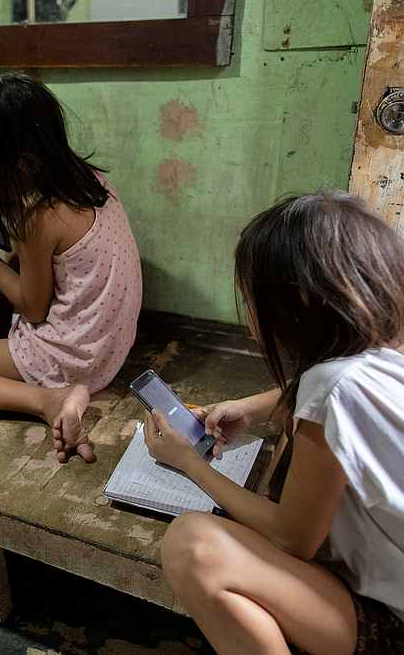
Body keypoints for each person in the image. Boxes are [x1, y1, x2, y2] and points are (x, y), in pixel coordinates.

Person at [143, 192, 404, 654]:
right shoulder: (385, 347)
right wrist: (255, 406)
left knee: (192, 546)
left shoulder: (331, 388)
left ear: (297, 301)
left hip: (392, 625)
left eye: (249, 296)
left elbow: (292, 539)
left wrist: (190, 463)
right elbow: (331, 393)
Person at [0, 72, 142, 463]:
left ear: (20, 166)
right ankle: (57, 392)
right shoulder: (92, 182)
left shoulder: (39, 216)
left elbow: (33, 309)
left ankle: (47, 399)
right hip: (107, 351)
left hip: (70, 356)